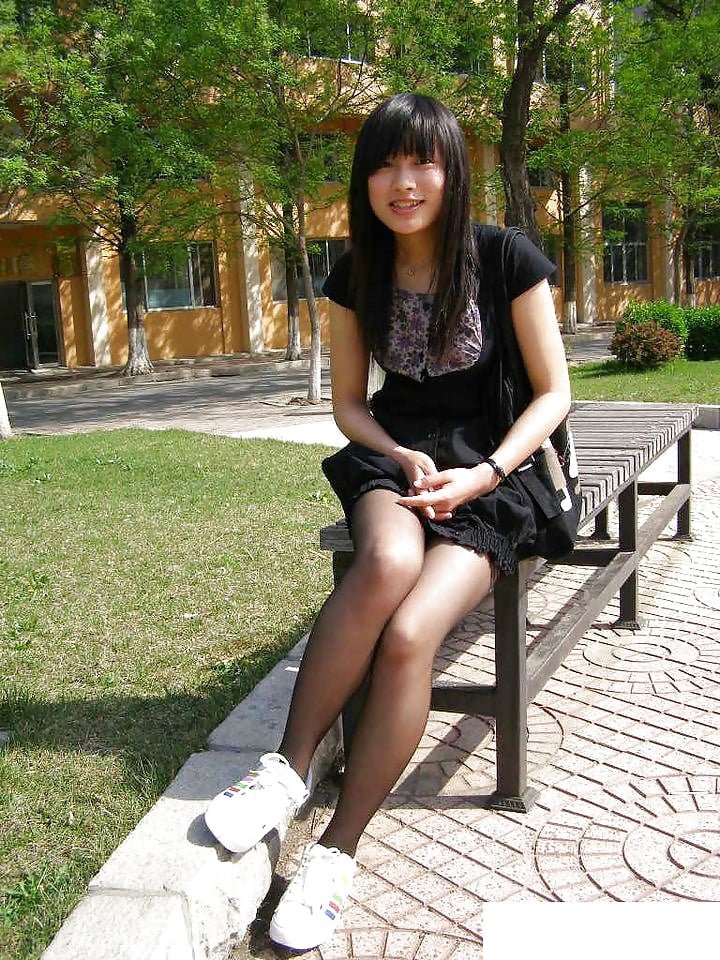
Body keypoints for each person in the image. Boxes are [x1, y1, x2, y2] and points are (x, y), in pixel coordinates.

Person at [204, 92, 571, 951]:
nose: (403, 183)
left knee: (410, 636)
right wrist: (399, 455)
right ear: (364, 179)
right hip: (397, 454)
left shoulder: (506, 256)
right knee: (383, 565)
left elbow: (554, 393)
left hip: (496, 467)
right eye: (383, 165)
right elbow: (347, 405)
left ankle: (337, 853)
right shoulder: (354, 273)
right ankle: (287, 771)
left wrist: (483, 474)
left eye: (421, 163)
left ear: (451, 171)